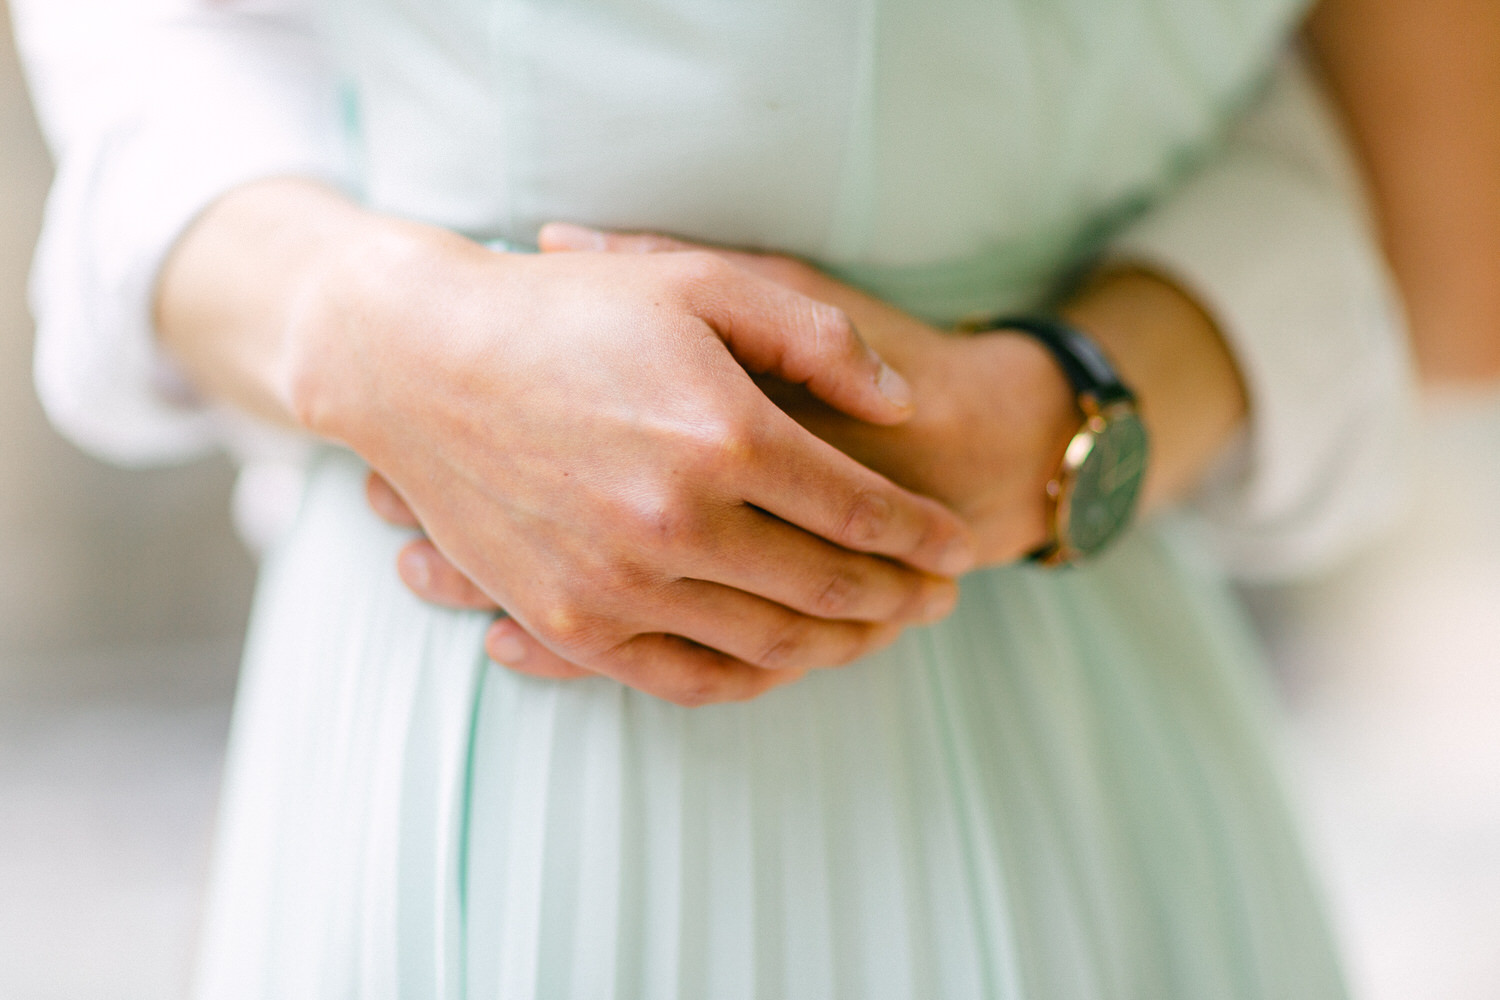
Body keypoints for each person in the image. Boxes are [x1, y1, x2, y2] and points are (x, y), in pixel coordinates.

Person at [12, 0, 1415, 996]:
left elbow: (1429, 202)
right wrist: (375, 325)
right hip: (508, 693)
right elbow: (155, 48)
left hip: (1095, 703)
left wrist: (1067, 417)